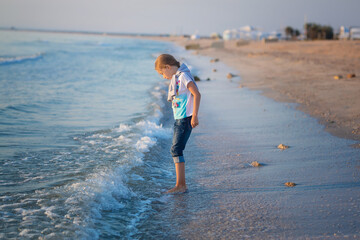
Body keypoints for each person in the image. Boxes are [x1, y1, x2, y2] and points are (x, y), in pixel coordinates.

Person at [155, 54, 201, 194]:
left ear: (168, 67)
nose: (163, 76)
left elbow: (197, 94)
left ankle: (181, 185)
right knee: (176, 150)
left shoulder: (183, 76)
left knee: (176, 150)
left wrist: (194, 116)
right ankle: (180, 184)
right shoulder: (179, 76)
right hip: (180, 119)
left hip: (185, 119)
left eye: (162, 73)